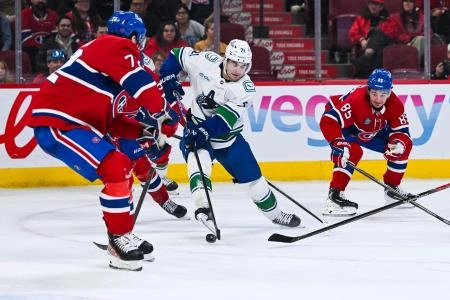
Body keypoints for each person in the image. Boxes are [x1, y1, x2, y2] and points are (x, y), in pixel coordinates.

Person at [27, 11, 179, 271]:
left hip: (75, 123)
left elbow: (113, 123)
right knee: (116, 166)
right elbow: (143, 86)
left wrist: (145, 129)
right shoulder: (114, 44)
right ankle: (118, 239)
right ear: (133, 37)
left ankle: (121, 235)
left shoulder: (106, 72)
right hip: (59, 122)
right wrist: (163, 112)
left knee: (123, 165)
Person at [158, 39, 301, 230]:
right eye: (234, 63)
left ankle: (276, 215)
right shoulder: (205, 61)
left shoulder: (246, 89)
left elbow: (223, 121)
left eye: (243, 66)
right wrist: (168, 77)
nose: (237, 70)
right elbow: (177, 55)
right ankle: (203, 208)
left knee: (255, 184)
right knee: (199, 166)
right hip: (197, 131)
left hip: (228, 140)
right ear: (226, 59)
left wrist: (200, 131)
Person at [320, 68, 414, 216]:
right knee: (353, 151)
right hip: (347, 127)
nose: (378, 99)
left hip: (370, 130)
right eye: (375, 93)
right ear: (369, 90)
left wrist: (398, 144)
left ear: (390, 93)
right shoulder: (356, 101)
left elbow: (402, 133)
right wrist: (337, 143)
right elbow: (329, 120)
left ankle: (392, 189)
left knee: (405, 145)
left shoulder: (395, 105)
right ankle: (335, 196)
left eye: (383, 94)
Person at [349, 0, 398, 78]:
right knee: (376, 40)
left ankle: (365, 57)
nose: (373, 6)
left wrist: (373, 41)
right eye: (371, 4)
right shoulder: (361, 19)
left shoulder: (388, 20)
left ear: (381, 7)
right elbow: (352, 33)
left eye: (376, 4)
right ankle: (368, 55)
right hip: (365, 48)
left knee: (378, 32)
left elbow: (392, 35)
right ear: (368, 5)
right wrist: (361, 39)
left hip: (384, 49)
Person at [21, 0, 59, 72]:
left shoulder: (54, 15)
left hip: (49, 48)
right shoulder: (24, 14)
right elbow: (25, 38)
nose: (41, 1)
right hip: (31, 50)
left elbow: (54, 36)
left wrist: (44, 47)